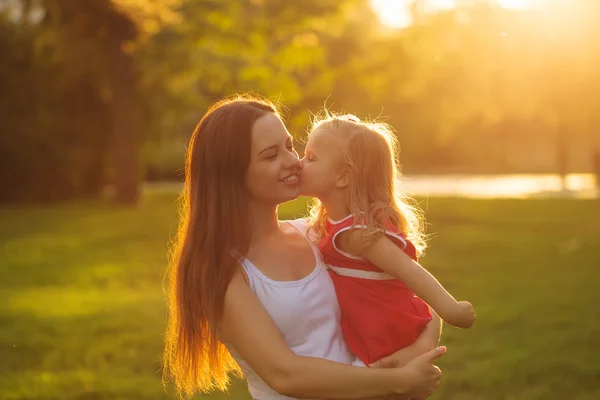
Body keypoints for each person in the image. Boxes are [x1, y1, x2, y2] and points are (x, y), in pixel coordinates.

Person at [163, 96, 446, 400]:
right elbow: (285, 374)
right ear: (230, 174)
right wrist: (398, 381)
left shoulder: (317, 234)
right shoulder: (219, 271)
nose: (292, 161)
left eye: (289, 146)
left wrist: (418, 350)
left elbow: (415, 299)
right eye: (271, 155)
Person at [300, 113, 475, 367]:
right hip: (367, 341)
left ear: (342, 177)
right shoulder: (332, 224)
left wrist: (451, 310)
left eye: (311, 158)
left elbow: (411, 272)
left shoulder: (359, 233)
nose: (299, 163)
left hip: (390, 338)